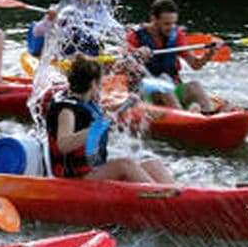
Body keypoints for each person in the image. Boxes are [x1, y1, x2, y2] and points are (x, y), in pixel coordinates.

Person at [46, 54, 174, 183]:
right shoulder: (66, 111)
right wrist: (97, 126)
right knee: (124, 164)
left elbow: (99, 112)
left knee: (152, 164)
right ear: (93, 84)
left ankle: (176, 197)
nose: (101, 87)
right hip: (75, 177)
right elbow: (63, 144)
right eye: (100, 83)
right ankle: (160, 197)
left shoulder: (85, 100)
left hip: (93, 169)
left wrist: (124, 104)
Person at [126, 0, 218, 114]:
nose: (171, 27)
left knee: (195, 85)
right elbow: (123, 66)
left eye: (174, 23)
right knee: (163, 79)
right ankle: (183, 117)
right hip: (146, 93)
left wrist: (209, 54)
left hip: (172, 89)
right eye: (166, 24)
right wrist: (136, 55)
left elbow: (195, 65)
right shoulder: (134, 36)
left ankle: (209, 116)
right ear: (154, 19)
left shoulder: (176, 35)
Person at [26, 0, 125, 60]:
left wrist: (127, 35)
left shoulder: (99, 11)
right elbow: (38, 32)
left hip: (91, 51)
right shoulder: (63, 9)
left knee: (92, 40)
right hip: (67, 51)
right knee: (73, 36)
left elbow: (116, 28)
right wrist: (49, 19)